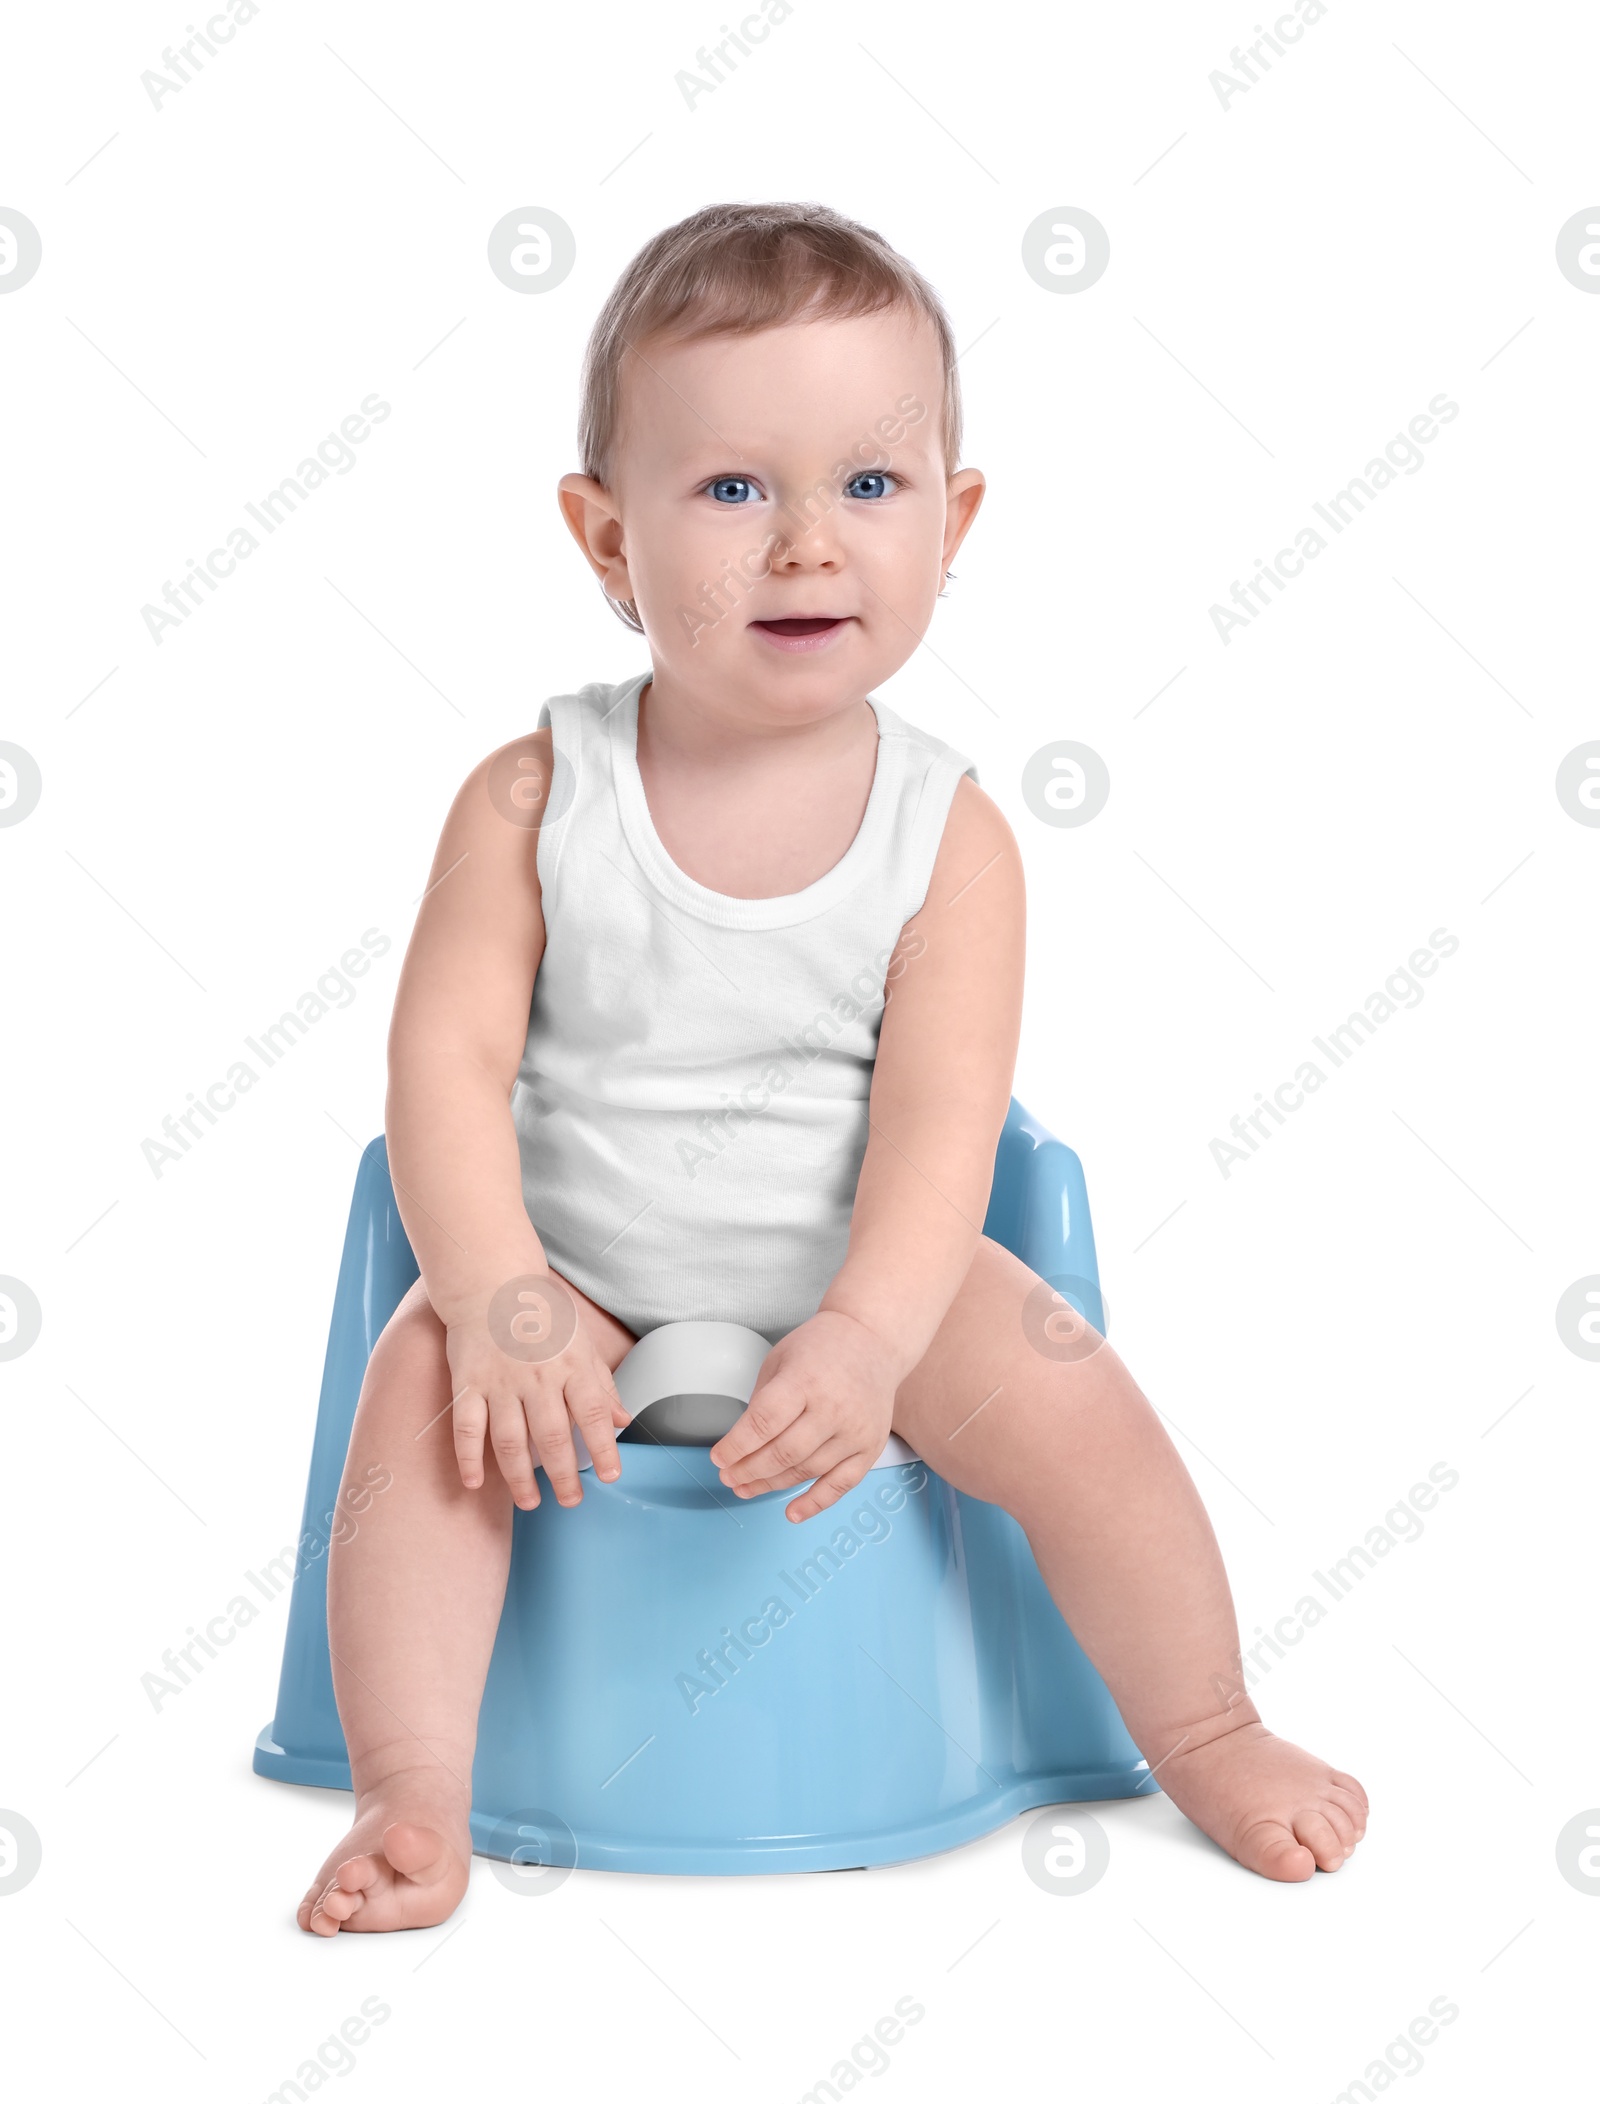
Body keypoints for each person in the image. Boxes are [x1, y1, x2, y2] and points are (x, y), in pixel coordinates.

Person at [298, 201, 1366, 1934]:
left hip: (870, 1274)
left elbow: (947, 1130)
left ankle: (1206, 1723)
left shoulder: (950, 838)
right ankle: (416, 1792)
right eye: (731, 488)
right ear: (603, 534)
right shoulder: (529, 796)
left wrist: (869, 1331)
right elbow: (442, 1063)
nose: (806, 545)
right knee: (416, 1400)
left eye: (869, 489)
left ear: (953, 524)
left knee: (1074, 1399)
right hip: (565, 1280)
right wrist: (495, 1289)